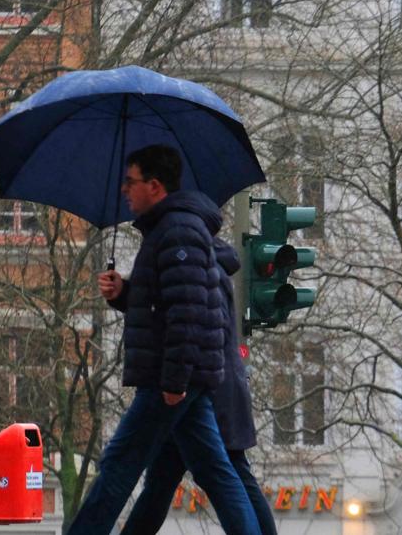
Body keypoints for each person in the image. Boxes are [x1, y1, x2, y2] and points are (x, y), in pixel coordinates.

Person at [66, 144, 261, 535]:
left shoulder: (177, 231)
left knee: (120, 463)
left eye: (131, 182)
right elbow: (163, 303)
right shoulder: (169, 230)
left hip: (167, 378)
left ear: (154, 186)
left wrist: (174, 382)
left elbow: (187, 313)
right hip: (179, 378)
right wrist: (123, 292)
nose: (125, 190)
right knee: (216, 473)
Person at [120, 237, 276, 535]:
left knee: (226, 476)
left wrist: (175, 380)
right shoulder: (201, 258)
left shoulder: (190, 260)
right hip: (203, 386)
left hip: (201, 390)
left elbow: (183, 319)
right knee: (162, 484)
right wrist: (123, 294)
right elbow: (166, 309)